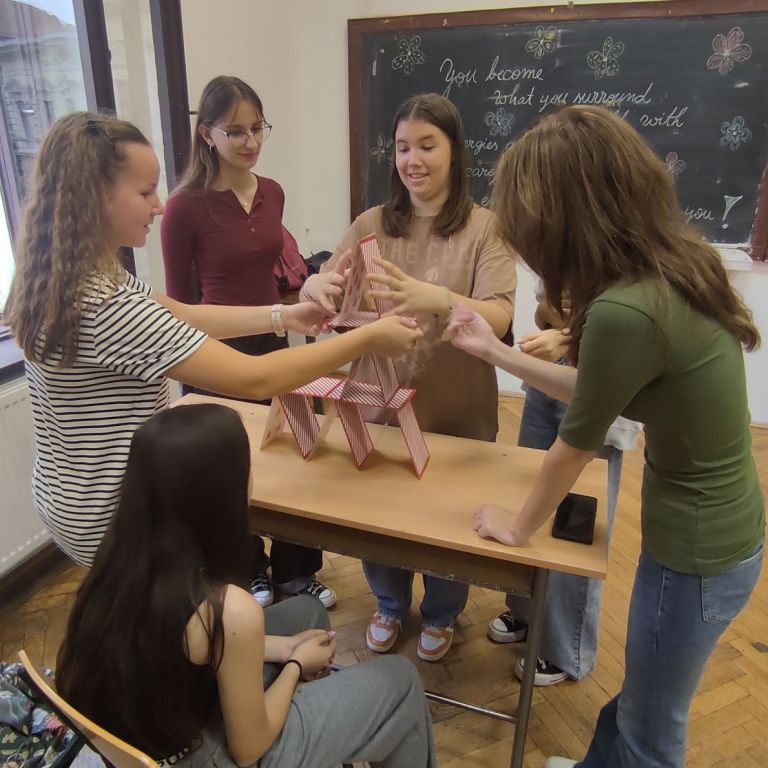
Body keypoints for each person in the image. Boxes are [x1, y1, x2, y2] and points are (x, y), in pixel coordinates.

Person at [448, 105, 764, 768]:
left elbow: (575, 443)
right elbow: (595, 392)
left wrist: (518, 527)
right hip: (714, 541)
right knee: (635, 705)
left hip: (698, 553)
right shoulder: (669, 268)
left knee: (650, 732)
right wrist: (495, 352)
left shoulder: (625, 310)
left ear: (563, 221)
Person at [2, 111, 422, 569]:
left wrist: (285, 316)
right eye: (145, 192)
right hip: (114, 515)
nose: (159, 205)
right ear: (93, 196)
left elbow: (180, 313)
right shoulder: (104, 306)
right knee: (170, 610)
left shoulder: (67, 274)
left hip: (66, 494)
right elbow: (255, 378)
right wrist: (367, 339)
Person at [56, 403, 436, 768]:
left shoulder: (116, 563)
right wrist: (294, 664)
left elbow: (182, 647)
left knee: (308, 612)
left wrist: (284, 646)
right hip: (206, 756)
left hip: (152, 736)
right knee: (400, 680)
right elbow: (248, 749)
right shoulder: (227, 608)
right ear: (220, 494)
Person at [302, 93, 517, 662]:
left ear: (455, 151)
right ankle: (389, 603)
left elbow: (499, 315)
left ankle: (443, 612)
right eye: (402, 148)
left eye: (427, 145)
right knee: (379, 516)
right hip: (379, 403)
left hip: (458, 409)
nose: (412, 160)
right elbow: (328, 284)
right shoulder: (371, 223)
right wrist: (313, 286)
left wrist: (438, 298)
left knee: (451, 521)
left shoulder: (486, 228)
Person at [161, 76, 335, 610]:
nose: (250, 140)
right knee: (229, 465)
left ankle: (296, 571)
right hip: (215, 349)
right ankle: (246, 567)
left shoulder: (272, 192)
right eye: (235, 131)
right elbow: (179, 302)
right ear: (206, 134)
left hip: (273, 335)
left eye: (258, 127)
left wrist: (305, 297)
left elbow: (278, 271)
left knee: (294, 451)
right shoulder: (183, 207)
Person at [488, 286, 641, 687]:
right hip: (548, 376)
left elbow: (624, 332)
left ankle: (565, 648)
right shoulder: (564, 252)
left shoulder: (636, 269)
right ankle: (526, 612)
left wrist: (570, 335)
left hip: (600, 380)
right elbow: (545, 310)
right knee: (529, 499)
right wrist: (556, 324)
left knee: (576, 524)